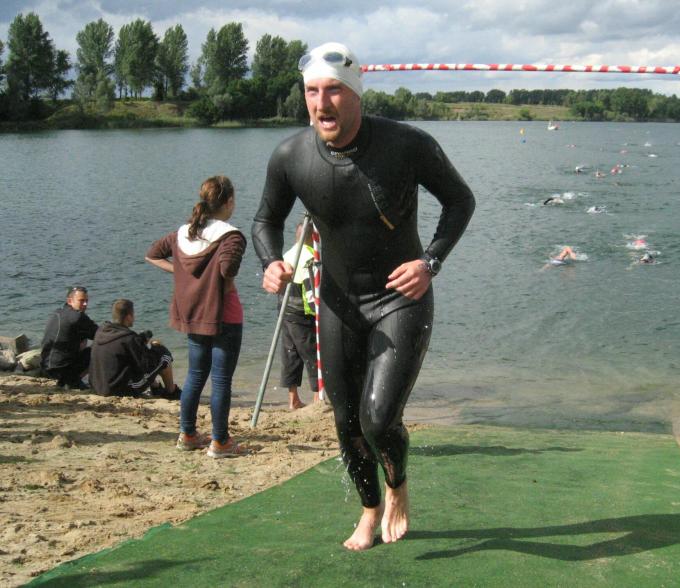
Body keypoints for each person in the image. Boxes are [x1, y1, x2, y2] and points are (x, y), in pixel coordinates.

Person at [252, 42, 475, 551]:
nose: (321, 103)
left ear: (356, 94)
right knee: (346, 420)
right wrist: (270, 263)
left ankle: (397, 485)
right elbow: (265, 219)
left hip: (400, 296)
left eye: (333, 90)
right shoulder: (290, 156)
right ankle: (369, 509)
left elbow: (460, 201)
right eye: (312, 92)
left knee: (379, 418)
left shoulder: (407, 144)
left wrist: (430, 263)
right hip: (338, 303)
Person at [146, 175, 248, 458]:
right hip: (224, 314)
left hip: (193, 313)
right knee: (221, 380)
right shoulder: (231, 235)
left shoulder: (183, 232)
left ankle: (188, 434)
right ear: (229, 202)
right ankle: (220, 441)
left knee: (195, 375)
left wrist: (180, 271)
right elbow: (227, 270)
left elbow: (152, 254)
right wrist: (219, 280)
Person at [89, 299, 180, 399]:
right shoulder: (129, 338)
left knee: (134, 361)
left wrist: (140, 343)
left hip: (97, 386)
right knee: (164, 356)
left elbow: (123, 349)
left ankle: (156, 387)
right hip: (118, 390)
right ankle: (171, 391)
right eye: (133, 314)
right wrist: (156, 347)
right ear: (129, 317)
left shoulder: (101, 331)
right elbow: (145, 366)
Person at [280, 223, 319, 409]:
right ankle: (318, 397)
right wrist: (318, 313)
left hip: (284, 311)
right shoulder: (311, 257)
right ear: (313, 237)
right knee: (313, 354)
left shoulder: (287, 254)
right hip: (302, 314)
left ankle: (293, 398)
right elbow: (311, 291)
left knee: (290, 354)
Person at [40, 286, 98, 389]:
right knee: (98, 347)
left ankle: (73, 379)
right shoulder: (78, 317)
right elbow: (101, 335)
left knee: (82, 338)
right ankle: (75, 381)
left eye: (86, 301)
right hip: (61, 370)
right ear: (70, 301)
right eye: (81, 301)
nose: (85, 304)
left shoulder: (57, 313)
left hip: (45, 367)